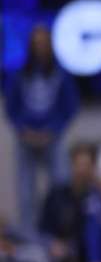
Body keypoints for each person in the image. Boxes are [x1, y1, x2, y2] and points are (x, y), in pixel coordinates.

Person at [3, 23, 79, 234]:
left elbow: (70, 107)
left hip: (52, 139)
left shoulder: (61, 75)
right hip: (25, 138)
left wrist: (52, 130)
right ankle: (29, 234)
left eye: (43, 43)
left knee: (60, 185)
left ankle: (59, 233)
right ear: (30, 46)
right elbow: (11, 108)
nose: (40, 48)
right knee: (26, 192)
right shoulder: (19, 76)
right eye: (36, 44)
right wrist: (23, 129)